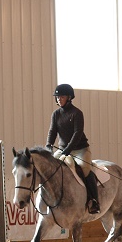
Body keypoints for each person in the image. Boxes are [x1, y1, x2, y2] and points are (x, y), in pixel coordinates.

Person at [45, 83, 100, 214]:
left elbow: (77, 134)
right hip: (63, 149)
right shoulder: (56, 114)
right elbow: (52, 131)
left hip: (80, 149)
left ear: (69, 98)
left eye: (62, 97)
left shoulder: (77, 113)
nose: (59, 99)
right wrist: (48, 146)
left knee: (85, 169)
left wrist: (67, 150)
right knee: (50, 167)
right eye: (57, 97)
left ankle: (94, 200)